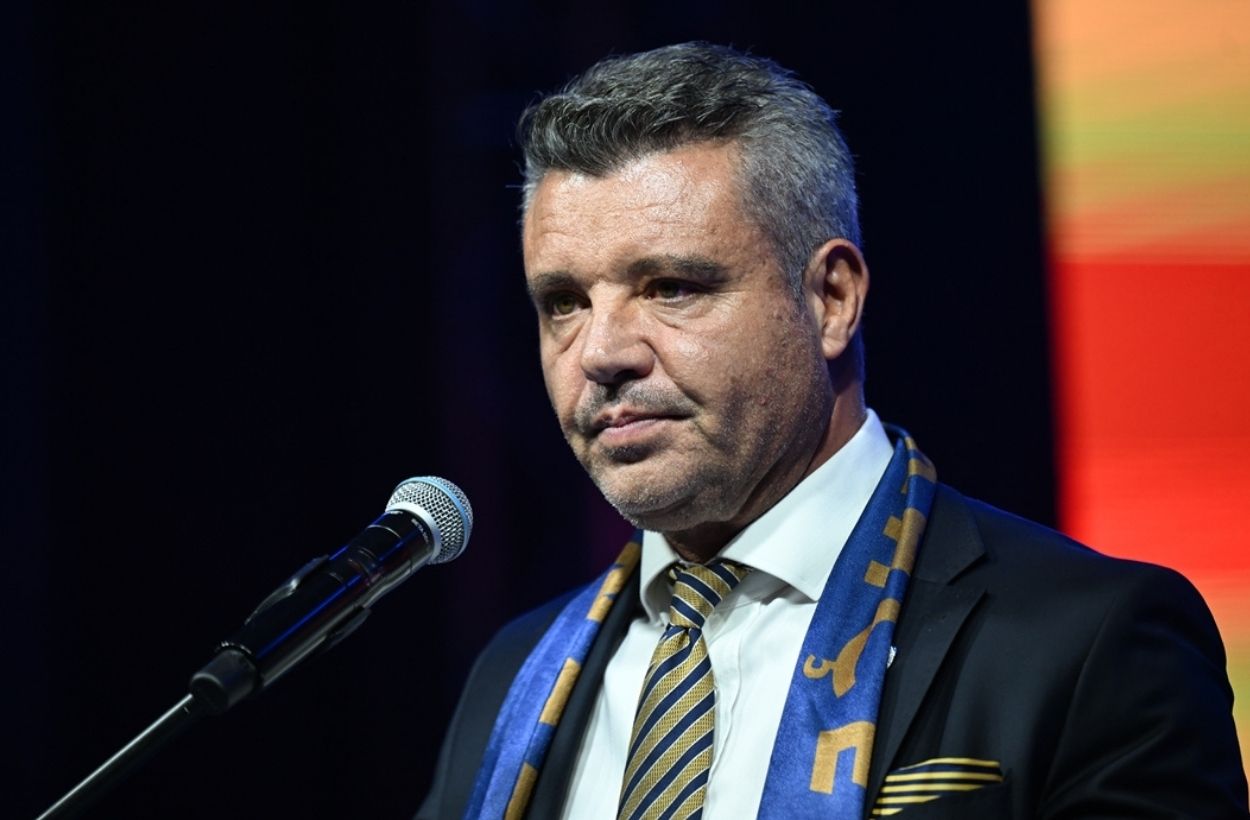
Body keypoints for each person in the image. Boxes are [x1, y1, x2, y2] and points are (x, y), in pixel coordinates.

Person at [418, 42, 1247, 819]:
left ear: (831, 299)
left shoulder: (1089, 643)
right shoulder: (512, 676)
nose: (600, 352)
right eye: (563, 302)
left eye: (670, 287)